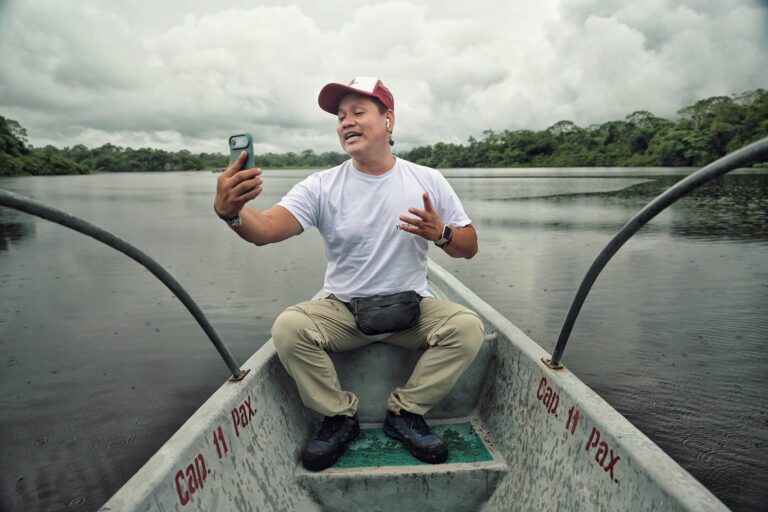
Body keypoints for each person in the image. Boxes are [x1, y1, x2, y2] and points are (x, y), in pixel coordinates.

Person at [213, 77, 485, 471]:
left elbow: (469, 246)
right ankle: (339, 417)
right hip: (344, 312)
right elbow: (267, 230)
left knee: (467, 328)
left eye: (358, 112)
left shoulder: (427, 179)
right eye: (341, 117)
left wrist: (440, 233)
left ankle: (404, 413)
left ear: (388, 120)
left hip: (411, 309)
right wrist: (231, 213)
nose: (346, 123)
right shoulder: (322, 186)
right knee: (290, 327)